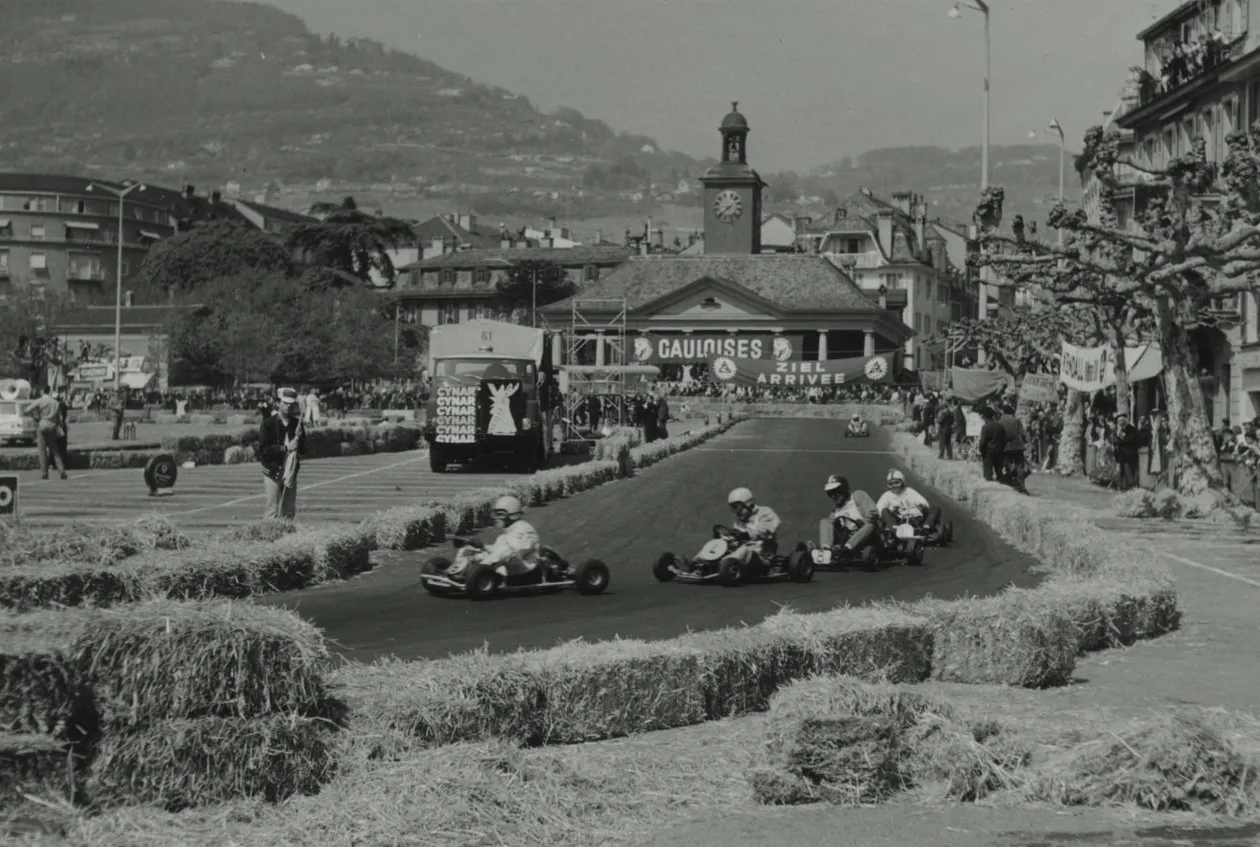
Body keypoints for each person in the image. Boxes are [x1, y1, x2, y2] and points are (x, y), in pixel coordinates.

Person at [449, 494, 543, 580]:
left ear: (513, 515)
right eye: (495, 514)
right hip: (508, 564)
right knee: (469, 548)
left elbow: (510, 553)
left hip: (524, 571)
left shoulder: (524, 530)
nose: (496, 518)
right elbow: (497, 551)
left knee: (501, 556)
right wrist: (481, 546)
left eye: (500, 514)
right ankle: (455, 571)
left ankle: (474, 575)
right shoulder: (507, 532)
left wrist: (482, 563)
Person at [259, 387, 307, 520]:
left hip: (290, 473)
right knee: (272, 512)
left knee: (289, 513)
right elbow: (263, 451)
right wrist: (286, 448)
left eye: (291, 404)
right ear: (279, 402)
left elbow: (303, 450)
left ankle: (287, 540)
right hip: (272, 472)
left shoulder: (297, 424)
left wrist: (300, 438)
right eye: (285, 403)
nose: (288, 407)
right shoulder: (268, 423)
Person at [724, 487, 781, 569]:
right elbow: (737, 540)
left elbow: (765, 531)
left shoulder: (765, 513)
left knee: (744, 550)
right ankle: (701, 564)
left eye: (738, 508)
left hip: (763, 557)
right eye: (734, 509)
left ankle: (726, 565)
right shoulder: (739, 521)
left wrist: (746, 534)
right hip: (744, 557)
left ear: (749, 504)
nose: (737, 513)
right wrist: (727, 539)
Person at [822, 474, 879, 553]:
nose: (833, 496)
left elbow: (873, 513)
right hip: (846, 538)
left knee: (869, 526)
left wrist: (863, 521)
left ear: (843, 489)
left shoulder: (858, 496)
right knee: (825, 521)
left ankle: (846, 549)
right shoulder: (834, 511)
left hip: (867, 537)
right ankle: (825, 549)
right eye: (830, 493)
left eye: (835, 492)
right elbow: (830, 529)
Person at [875, 469, 942, 537]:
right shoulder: (887, 495)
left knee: (935, 508)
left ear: (902, 482)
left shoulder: (909, 491)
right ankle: (894, 530)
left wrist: (922, 506)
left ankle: (926, 528)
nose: (894, 486)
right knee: (884, 511)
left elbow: (924, 503)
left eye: (897, 482)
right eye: (891, 484)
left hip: (915, 519)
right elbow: (879, 509)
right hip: (899, 520)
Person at [23, 385, 67, 480]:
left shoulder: (40, 401)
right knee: (55, 450)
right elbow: (60, 418)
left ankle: (44, 473)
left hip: (42, 425)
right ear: (49, 391)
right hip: (52, 427)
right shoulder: (55, 403)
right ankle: (62, 471)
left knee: (42, 451)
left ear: (42, 391)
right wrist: (60, 429)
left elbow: (27, 410)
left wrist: (35, 416)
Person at [998, 404, 1029, 493]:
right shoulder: (1016, 420)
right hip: (1017, 445)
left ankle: (1011, 486)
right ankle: (1021, 487)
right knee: (1019, 466)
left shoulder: (1000, 422)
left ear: (1003, 412)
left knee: (1008, 466)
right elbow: (1023, 434)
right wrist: (1025, 441)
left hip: (1006, 446)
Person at [977, 405, 1007, 482]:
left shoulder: (985, 427)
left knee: (988, 475)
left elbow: (983, 442)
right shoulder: (1000, 426)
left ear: (984, 417)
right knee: (999, 473)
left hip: (988, 453)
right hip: (999, 452)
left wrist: (980, 450)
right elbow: (1004, 440)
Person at [1113, 412, 1141, 491]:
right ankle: (1124, 488)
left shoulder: (1132, 429)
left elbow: (1130, 440)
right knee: (1123, 473)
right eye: (1119, 421)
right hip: (1122, 455)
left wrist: (1119, 441)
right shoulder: (1120, 430)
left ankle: (1132, 487)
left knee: (1129, 472)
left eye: (1121, 421)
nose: (1120, 423)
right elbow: (1116, 441)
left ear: (1125, 420)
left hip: (1130, 455)